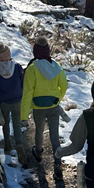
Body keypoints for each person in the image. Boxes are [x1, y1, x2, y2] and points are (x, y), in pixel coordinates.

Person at [21, 36, 69, 180]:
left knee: (39, 131)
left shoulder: (32, 68)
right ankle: (58, 165)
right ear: (48, 50)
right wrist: (57, 99)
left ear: (35, 51)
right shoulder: (56, 66)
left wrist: (24, 115)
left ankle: (39, 152)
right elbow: (64, 85)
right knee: (55, 136)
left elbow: (27, 92)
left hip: (38, 107)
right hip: (53, 106)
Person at [0, 42, 26, 165]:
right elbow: (23, 84)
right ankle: (19, 144)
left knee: (5, 124)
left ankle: (7, 147)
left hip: (3, 102)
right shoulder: (17, 67)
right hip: (17, 100)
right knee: (17, 124)